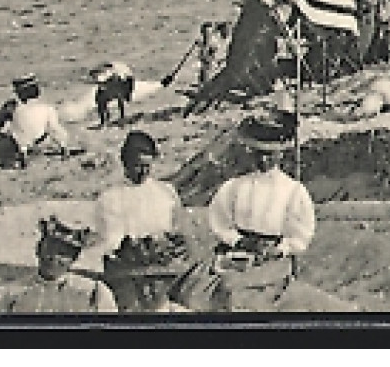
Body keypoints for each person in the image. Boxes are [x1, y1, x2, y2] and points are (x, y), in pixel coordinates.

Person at [192, 112, 316, 311]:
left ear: (281, 154)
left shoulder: (294, 191)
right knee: (222, 292)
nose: (264, 159)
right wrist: (238, 241)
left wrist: (280, 249)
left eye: (270, 154)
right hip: (238, 256)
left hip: (273, 263)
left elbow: (301, 235)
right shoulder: (235, 186)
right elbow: (219, 221)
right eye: (259, 153)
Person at [87, 132, 184, 264]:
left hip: (166, 265)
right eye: (138, 166)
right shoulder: (110, 198)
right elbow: (111, 243)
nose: (143, 172)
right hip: (128, 270)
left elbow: (178, 230)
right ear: (125, 163)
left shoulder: (166, 192)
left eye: (147, 166)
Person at [0, 217, 117, 314]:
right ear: (38, 250)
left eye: (63, 253)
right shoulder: (10, 293)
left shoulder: (94, 292)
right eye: (49, 249)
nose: (54, 258)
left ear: (74, 258)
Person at [0, 74, 72, 168]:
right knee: (52, 129)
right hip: (41, 141)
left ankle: (21, 155)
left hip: (18, 143)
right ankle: (63, 150)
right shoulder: (47, 108)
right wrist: (63, 145)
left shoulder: (11, 107)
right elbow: (55, 129)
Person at [90, 62, 135, 128]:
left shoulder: (117, 72)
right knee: (102, 100)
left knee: (102, 100)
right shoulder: (115, 72)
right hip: (114, 90)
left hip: (115, 89)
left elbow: (128, 80)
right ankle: (109, 119)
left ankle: (109, 119)